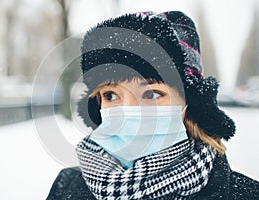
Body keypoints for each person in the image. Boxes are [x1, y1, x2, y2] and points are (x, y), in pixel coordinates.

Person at [47, 11, 259, 199]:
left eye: (151, 93)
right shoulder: (66, 187)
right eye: (111, 95)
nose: (129, 111)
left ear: (190, 105)